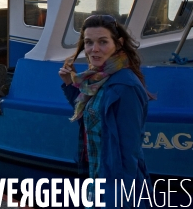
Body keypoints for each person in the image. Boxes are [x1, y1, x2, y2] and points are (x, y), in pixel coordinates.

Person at [58, 14, 154, 207]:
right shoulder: (98, 78)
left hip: (115, 185)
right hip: (97, 176)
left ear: (118, 43)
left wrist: (117, 199)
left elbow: (128, 152)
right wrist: (70, 85)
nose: (94, 49)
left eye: (103, 42)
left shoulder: (125, 87)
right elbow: (91, 118)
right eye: (88, 42)